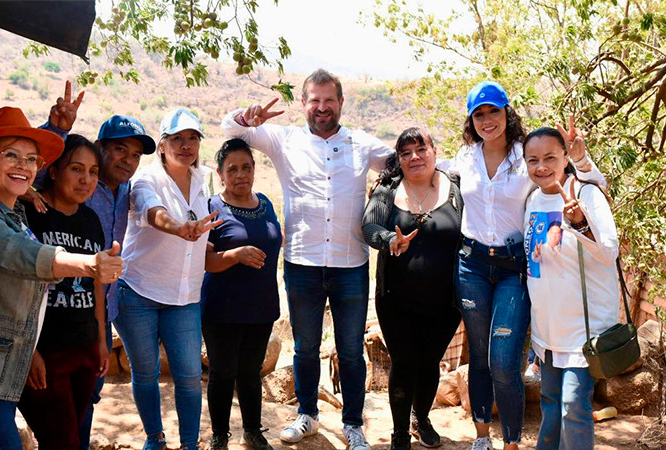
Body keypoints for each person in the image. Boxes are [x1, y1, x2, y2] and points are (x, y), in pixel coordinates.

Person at [0, 106, 123, 449]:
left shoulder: (9, 210)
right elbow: (24, 255)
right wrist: (88, 264)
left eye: (31, 160)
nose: (23, 166)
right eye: (11, 155)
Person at [221, 68, 393, 450]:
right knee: (305, 346)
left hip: (351, 264)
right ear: (303, 103)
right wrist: (248, 118)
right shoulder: (284, 140)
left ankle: (353, 425)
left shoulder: (362, 143)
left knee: (350, 349)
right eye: (314, 100)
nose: (322, 107)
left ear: (341, 103)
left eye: (329, 100)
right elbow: (227, 129)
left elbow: (408, 162)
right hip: (302, 263)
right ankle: (307, 416)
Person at [441, 81, 605, 450]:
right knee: (480, 355)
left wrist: (580, 159)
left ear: (506, 112)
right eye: (478, 114)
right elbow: (431, 173)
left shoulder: (527, 155)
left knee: (502, 360)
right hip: (472, 265)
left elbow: (589, 183)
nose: (487, 120)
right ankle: (482, 438)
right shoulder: (465, 157)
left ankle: (512, 442)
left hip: (514, 268)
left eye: (493, 111)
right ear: (471, 120)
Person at [35, 106, 156, 449]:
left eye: (135, 155)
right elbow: (32, 172)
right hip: (48, 322)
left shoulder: (125, 188)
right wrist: (56, 129)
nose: (128, 160)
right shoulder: (65, 186)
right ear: (101, 147)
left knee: (87, 400)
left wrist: (104, 337)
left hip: (97, 313)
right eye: (120, 150)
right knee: (55, 420)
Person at [114, 108, 222, 450]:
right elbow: (152, 213)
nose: (186, 145)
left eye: (192, 138)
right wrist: (180, 228)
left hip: (185, 295)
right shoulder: (146, 180)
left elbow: (206, 224)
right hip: (139, 291)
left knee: (189, 377)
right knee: (145, 373)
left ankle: (189, 445)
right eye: (177, 139)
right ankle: (154, 439)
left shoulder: (204, 179)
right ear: (162, 145)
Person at [362, 128, 462, 450]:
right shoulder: (389, 189)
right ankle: (400, 434)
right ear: (399, 159)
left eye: (421, 149)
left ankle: (422, 417)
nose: (414, 157)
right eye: (406, 153)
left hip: (444, 303)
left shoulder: (455, 189)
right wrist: (389, 240)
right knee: (404, 363)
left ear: (434, 151)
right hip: (395, 301)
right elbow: (369, 226)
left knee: (430, 361)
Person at [522, 127, 618, 450]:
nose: (542, 166)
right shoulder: (533, 200)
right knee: (550, 403)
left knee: (574, 406)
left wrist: (579, 222)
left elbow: (608, 251)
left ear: (566, 156)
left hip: (582, 331)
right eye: (533, 159)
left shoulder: (586, 193)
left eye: (550, 157)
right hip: (548, 330)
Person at [17, 134, 109, 449]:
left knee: (65, 439)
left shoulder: (91, 220)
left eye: (94, 171)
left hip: (84, 348)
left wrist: (100, 340)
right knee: (63, 442)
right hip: (46, 351)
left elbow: (97, 282)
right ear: (54, 171)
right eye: (76, 169)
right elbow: (16, 287)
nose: (86, 179)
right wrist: (30, 352)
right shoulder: (30, 215)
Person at [201, 139, 282, 450]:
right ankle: (220, 436)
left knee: (251, 372)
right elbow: (203, 262)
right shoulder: (212, 207)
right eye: (232, 169)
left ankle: (253, 432)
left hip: (261, 305)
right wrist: (235, 254)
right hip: (222, 307)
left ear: (254, 170)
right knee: (222, 373)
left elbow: (274, 238)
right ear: (221, 173)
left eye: (246, 167)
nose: (240, 175)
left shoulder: (266, 203)